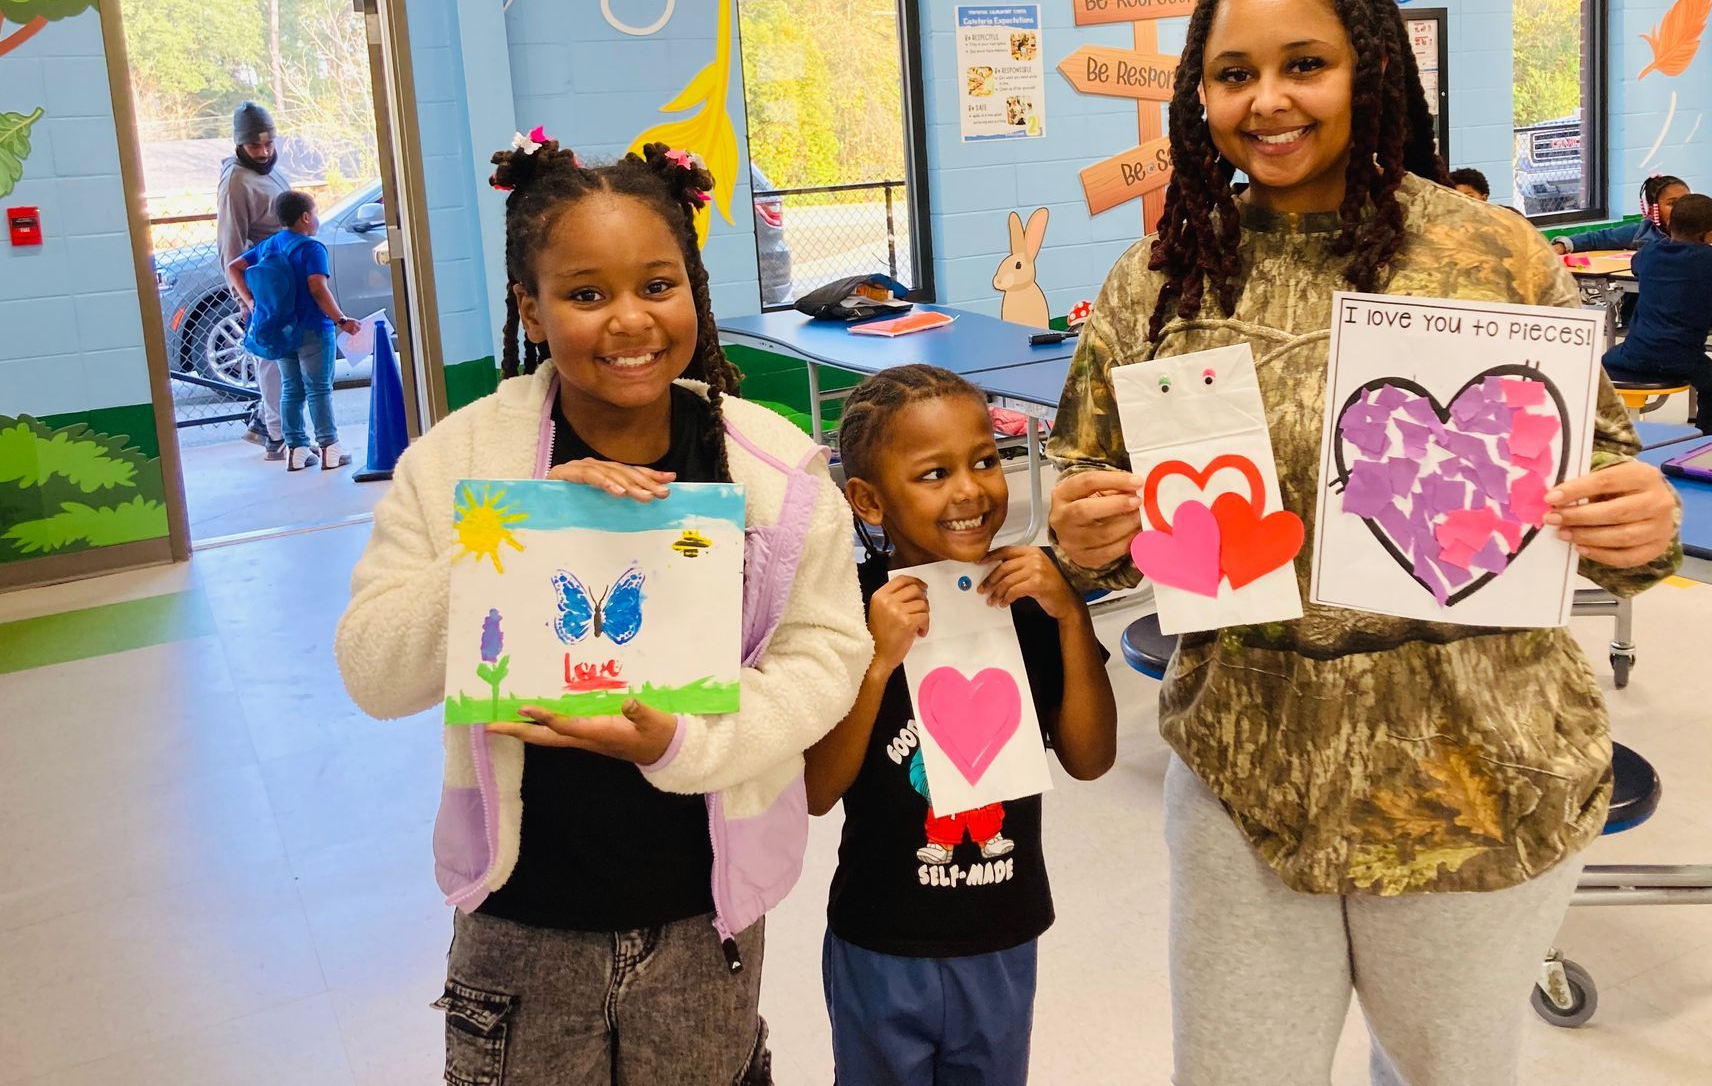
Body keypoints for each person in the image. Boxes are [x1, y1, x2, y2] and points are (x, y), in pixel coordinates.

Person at [1044, 0, 1680, 1086]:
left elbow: (1607, 490)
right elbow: (1087, 502)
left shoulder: (1492, 256)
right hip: (1247, 767)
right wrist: (1083, 539)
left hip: (1471, 768)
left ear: (1371, 69)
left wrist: (1641, 526)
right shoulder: (1161, 280)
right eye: (1234, 73)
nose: (1268, 100)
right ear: (1201, 95)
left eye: (1306, 64)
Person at [335, 137, 870, 1085]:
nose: (630, 320)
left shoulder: (771, 469)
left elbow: (826, 653)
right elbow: (374, 673)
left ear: (694, 290)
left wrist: (682, 745)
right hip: (520, 915)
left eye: (658, 284)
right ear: (530, 310)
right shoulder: (463, 463)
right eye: (585, 295)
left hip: (705, 914)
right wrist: (508, 535)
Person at [806, 366, 1117, 1086]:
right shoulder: (847, 613)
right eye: (934, 473)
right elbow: (818, 790)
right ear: (868, 500)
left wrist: (1069, 612)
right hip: (880, 938)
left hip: (1003, 936)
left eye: (983, 460)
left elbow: (1091, 757)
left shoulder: (1027, 599)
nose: (971, 489)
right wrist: (877, 663)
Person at [1599, 193, 1712, 436]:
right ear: (1709, 235)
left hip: (1636, 350)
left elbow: (1635, 265)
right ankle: (1706, 439)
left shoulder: (1650, 252)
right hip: (1682, 357)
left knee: (1601, 363)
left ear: (1669, 226)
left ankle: (1601, 430)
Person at [225, 191, 362, 472]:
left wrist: (251, 301)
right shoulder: (312, 248)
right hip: (313, 328)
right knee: (319, 389)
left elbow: (233, 267)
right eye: (315, 213)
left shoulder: (269, 246)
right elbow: (317, 288)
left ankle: (296, 449)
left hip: (280, 329)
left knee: (291, 389)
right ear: (305, 217)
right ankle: (329, 447)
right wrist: (341, 320)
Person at [217, 101, 291, 458]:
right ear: (239, 145)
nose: (263, 153)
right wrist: (245, 298)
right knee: (272, 357)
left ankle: (269, 421)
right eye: (254, 147)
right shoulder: (236, 182)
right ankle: (274, 432)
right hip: (265, 282)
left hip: (286, 275)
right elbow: (230, 245)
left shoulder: (268, 170)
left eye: (268, 144)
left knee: (289, 356)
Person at [1550, 174, 1712, 254]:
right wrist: (1563, 245)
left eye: (1686, 199)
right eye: (1672, 203)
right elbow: (1600, 238)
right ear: (1653, 210)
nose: (1682, 206)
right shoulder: (1642, 232)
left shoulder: (1707, 231)